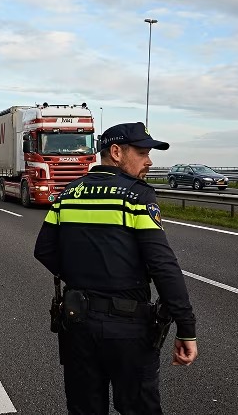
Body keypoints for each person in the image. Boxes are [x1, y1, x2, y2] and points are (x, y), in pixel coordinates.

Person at [34, 122, 198, 415]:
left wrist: (81, 275)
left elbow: (44, 250)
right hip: (128, 329)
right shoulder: (138, 196)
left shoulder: (69, 193)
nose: (149, 161)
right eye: (143, 153)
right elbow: (162, 265)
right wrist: (186, 328)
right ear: (116, 152)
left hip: (77, 325)